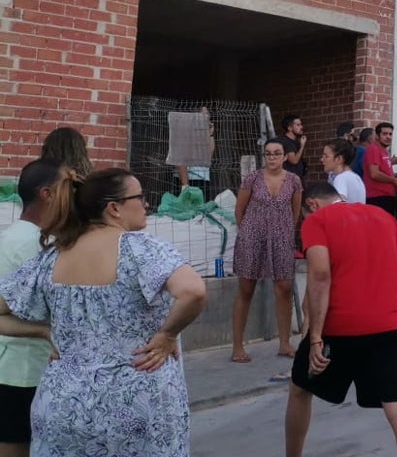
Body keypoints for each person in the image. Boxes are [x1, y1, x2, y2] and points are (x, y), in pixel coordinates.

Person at [0, 168, 206, 456]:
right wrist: (167, 335)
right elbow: (193, 291)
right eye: (140, 197)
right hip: (135, 409)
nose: (146, 204)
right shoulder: (142, 250)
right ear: (114, 208)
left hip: (63, 407)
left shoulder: (53, 256)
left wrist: (44, 331)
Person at [284, 183, 397, 457]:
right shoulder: (385, 218)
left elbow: (320, 277)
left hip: (339, 328)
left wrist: (315, 337)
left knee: (300, 388)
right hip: (390, 327)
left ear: (311, 204)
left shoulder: (317, 222)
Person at [0, 160, 60, 456]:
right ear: (47, 194)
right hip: (24, 372)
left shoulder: (13, 236)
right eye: (67, 188)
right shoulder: (35, 245)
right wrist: (45, 330)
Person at [232, 138, 302, 362]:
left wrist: (283, 232)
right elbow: (239, 210)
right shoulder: (252, 179)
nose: (272, 157)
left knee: (284, 288)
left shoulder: (294, 181)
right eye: (268, 153)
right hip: (252, 238)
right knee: (246, 289)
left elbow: (295, 212)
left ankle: (284, 343)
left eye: (276, 153)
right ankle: (237, 346)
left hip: (281, 239)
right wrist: (249, 233)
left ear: (284, 157)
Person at [365, 123, 397, 217]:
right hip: (378, 197)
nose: (388, 137)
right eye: (384, 134)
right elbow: (374, 174)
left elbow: (384, 170)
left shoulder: (384, 151)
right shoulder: (373, 149)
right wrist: (394, 180)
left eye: (390, 134)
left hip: (387, 197)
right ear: (377, 136)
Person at [322, 138, 365, 204]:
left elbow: (339, 205)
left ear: (339, 159)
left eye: (326, 156)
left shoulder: (341, 178)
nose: (322, 159)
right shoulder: (355, 177)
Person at [278, 115, 308, 180]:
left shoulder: (295, 141)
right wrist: (302, 145)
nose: (301, 127)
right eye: (298, 125)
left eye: (301, 124)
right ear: (289, 128)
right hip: (289, 181)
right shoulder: (286, 142)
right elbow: (294, 160)